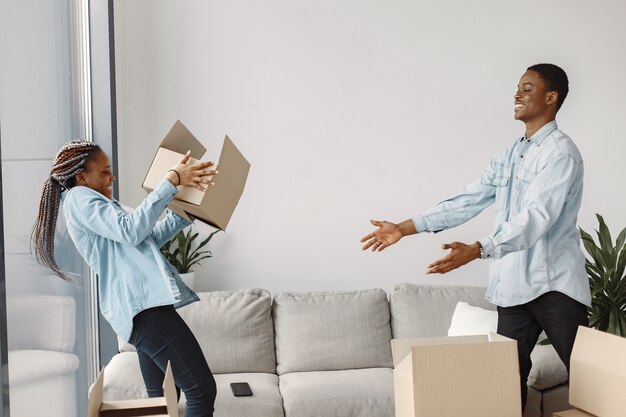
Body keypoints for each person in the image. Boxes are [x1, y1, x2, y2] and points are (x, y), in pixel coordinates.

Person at [360, 63, 590, 411]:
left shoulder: (561, 154)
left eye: (527, 89)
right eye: (517, 88)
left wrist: (479, 249)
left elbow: (535, 219)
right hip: (513, 288)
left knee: (595, 382)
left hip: (554, 286)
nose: (517, 94)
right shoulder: (512, 154)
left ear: (551, 97)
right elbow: (469, 199)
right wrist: (405, 228)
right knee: (503, 386)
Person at [31, 140, 218, 417]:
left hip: (143, 307)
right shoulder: (80, 199)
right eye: (105, 171)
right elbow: (131, 230)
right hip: (143, 309)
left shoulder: (98, 203)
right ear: (81, 177)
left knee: (163, 398)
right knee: (200, 389)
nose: (112, 177)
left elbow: (145, 238)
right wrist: (171, 180)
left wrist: (186, 212)